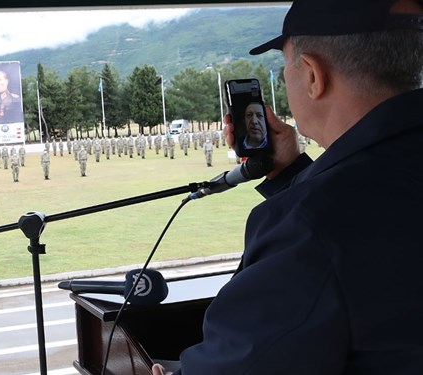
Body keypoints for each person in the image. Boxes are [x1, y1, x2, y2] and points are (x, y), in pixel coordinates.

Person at [153, 1, 423, 374]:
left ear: (313, 75)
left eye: (286, 71)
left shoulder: (308, 225)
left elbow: (244, 362)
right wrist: (290, 173)